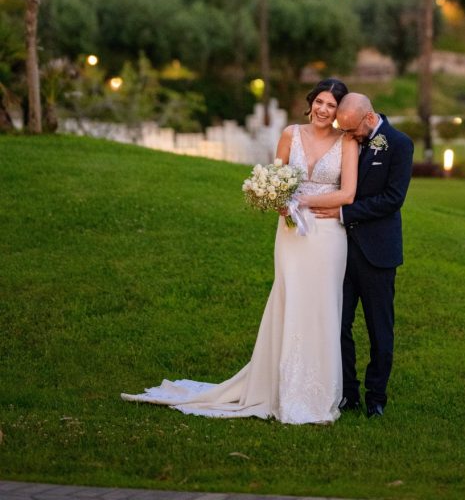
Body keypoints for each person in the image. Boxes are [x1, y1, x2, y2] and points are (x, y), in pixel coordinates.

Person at [121, 78, 358, 424]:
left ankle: (316, 393)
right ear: (311, 102)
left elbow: (347, 194)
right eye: (320, 102)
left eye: (332, 105)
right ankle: (278, 386)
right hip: (291, 234)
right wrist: (276, 198)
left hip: (327, 237)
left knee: (322, 306)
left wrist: (301, 200)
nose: (324, 110)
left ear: (339, 112)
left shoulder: (347, 142)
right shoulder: (291, 134)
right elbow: (275, 176)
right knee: (288, 300)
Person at [308, 92, 413, 418]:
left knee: (379, 329)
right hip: (340, 250)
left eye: (352, 130)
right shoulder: (348, 136)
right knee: (339, 325)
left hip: (378, 252)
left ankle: (376, 397)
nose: (348, 135)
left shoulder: (398, 144)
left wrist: (343, 213)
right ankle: (348, 392)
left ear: (368, 119)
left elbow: (392, 199)